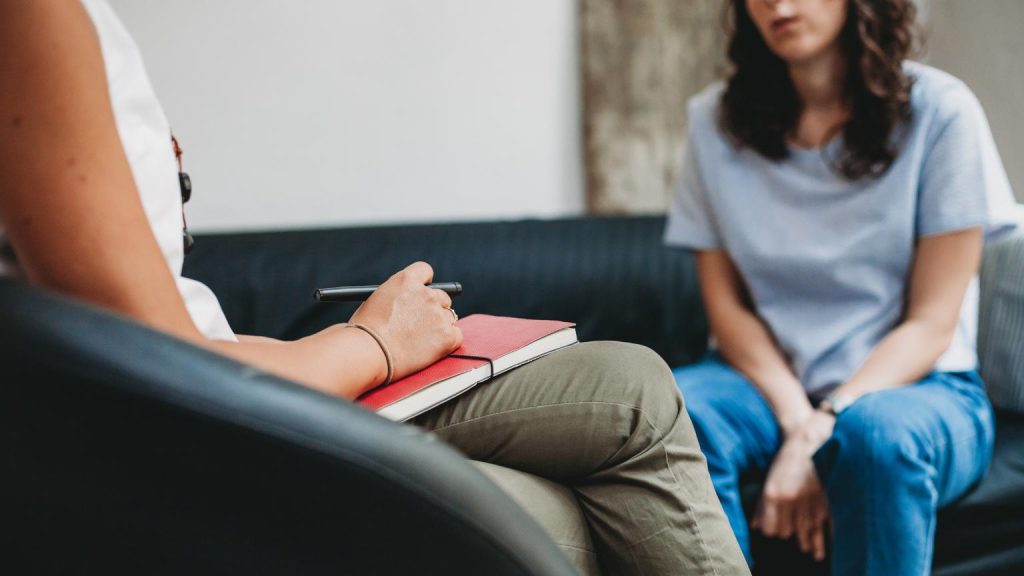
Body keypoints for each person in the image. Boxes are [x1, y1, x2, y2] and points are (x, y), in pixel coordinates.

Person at [0, 1, 751, 574]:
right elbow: (151, 365)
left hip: (217, 386)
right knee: (556, 508)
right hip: (191, 440)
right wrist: (370, 343)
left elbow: (169, 324)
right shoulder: (33, 18)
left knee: (631, 382)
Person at [665, 0, 1018, 574]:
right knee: (668, 412)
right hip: (762, 384)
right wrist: (797, 423)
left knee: (875, 435)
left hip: (918, 387)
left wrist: (828, 421)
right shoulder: (713, 121)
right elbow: (726, 307)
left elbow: (932, 322)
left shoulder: (942, 113)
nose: (778, 5)